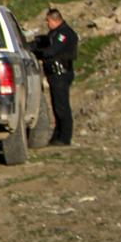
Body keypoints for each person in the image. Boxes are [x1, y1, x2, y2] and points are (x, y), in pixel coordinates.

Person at [33, 8, 78, 146]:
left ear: (55, 20)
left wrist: (38, 53)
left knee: (62, 106)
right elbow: (45, 43)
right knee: (57, 106)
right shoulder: (55, 33)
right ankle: (57, 135)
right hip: (54, 75)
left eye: (48, 21)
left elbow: (52, 51)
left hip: (61, 74)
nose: (47, 23)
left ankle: (64, 137)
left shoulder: (64, 34)